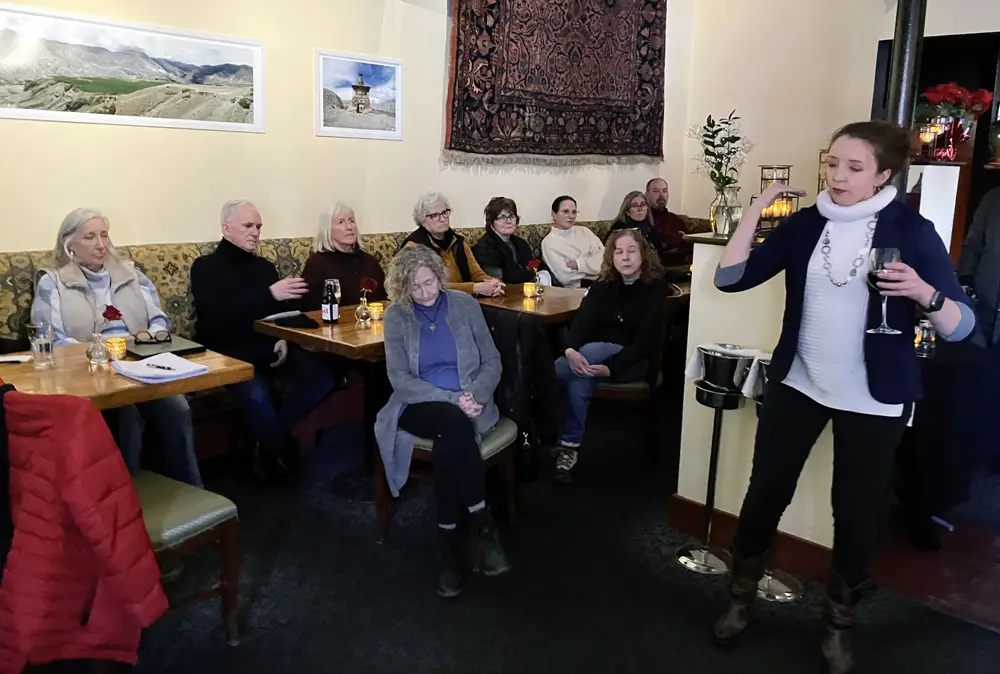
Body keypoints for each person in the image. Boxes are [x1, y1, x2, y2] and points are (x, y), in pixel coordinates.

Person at [710, 121, 975, 673]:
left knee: (855, 514)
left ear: (884, 175)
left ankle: (838, 624)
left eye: (854, 168)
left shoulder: (912, 230)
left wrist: (924, 293)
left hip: (874, 398)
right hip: (799, 383)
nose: (838, 176)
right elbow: (730, 279)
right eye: (832, 164)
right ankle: (740, 598)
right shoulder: (806, 224)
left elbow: (962, 326)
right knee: (765, 495)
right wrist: (756, 209)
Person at [375, 244, 510, 599]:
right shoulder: (396, 315)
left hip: (472, 401)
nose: (424, 293)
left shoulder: (464, 304)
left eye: (429, 283)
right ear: (402, 287)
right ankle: (483, 524)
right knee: (454, 422)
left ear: (440, 276)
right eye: (414, 287)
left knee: (452, 438)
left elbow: (492, 361)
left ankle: (447, 548)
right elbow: (400, 379)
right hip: (418, 402)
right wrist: (453, 400)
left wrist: (476, 395)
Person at [30, 207, 202, 487]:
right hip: (90, 372)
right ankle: (125, 497)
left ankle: (192, 489)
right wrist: (99, 353)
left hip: (140, 364)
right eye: (90, 237)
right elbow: (53, 338)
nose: (101, 244)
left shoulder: (132, 274)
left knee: (177, 408)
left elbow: (159, 320)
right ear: (69, 244)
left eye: (104, 235)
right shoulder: (53, 282)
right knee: (127, 414)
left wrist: (146, 341)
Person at [191, 199, 336, 483]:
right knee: (257, 394)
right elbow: (217, 317)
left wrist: (283, 338)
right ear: (226, 229)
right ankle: (278, 455)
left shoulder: (264, 267)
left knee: (321, 378)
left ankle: (263, 437)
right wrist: (269, 294)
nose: (255, 232)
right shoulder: (206, 267)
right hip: (228, 353)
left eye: (258, 226)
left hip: (269, 346)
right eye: (248, 226)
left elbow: (279, 314)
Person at [551, 229, 666, 484]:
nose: (625, 257)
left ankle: (539, 384)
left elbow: (644, 343)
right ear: (611, 257)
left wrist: (611, 368)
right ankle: (569, 447)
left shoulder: (655, 288)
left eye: (631, 251)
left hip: (633, 363)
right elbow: (582, 321)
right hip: (593, 363)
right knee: (580, 376)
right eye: (619, 251)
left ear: (643, 254)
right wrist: (570, 351)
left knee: (590, 352)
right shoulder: (603, 285)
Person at [402, 192, 505, 297]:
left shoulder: (458, 241)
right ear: (422, 220)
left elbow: (476, 273)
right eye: (435, 215)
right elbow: (431, 286)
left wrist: (492, 283)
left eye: (445, 212)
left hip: (464, 299)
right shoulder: (414, 247)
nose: (443, 219)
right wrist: (474, 288)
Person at [302, 202, 387, 310]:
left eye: (351, 221)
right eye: (341, 222)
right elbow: (311, 309)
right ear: (327, 229)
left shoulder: (370, 261)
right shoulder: (317, 264)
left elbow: (383, 301)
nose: (349, 227)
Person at [541, 195, 604, 288]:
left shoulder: (584, 231)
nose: (571, 216)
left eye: (574, 212)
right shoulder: (549, 243)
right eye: (565, 212)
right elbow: (565, 278)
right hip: (578, 289)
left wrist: (579, 264)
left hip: (603, 282)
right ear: (554, 215)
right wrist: (593, 264)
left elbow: (606, 258)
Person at [471, 196, 538, 283]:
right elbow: (500, 277)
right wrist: (526, 273)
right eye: (502, 217)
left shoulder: (521, 243)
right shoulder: (484, 248)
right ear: (491, 222)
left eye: (511, 216)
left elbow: (533, 268)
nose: (508, 221)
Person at [607, 191, 671, 262]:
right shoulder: (620, 229)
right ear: (627, 212)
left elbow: (660, 251)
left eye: (643, 205)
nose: (640, 209)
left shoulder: (652, 228)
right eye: (634, 206)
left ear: (647, 209)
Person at [645, 178, 693, 265]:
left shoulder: (676, 220)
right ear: (647, 195)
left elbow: (690, 244)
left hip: (682, 266)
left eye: (664, 191)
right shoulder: (644, 218)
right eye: (656, 191)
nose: (661, 195)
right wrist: (678, 238)